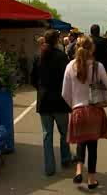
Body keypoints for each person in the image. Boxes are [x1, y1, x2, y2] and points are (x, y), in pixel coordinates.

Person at [62, 35, 107, 190]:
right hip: (95, 110)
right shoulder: (99, 67)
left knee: (81, 141)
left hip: (78, 110)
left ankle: (78, 169)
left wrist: (74, 106)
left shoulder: (70, 66)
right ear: (92, 49)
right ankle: (91, 179)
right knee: (93, 145)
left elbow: (65, 93)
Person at [30, 29, 74, 176]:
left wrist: (41, 89)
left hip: (44, 101)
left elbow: (32, 79)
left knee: (47, 135)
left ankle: (49, 167)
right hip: (60, 101)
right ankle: (66, 159)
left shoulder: (38, 56)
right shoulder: (62, 57)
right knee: (64, 133)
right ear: (57, 41)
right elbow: (69, 79)